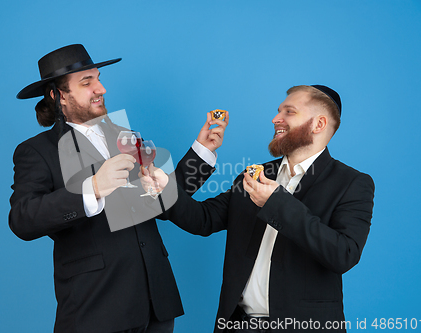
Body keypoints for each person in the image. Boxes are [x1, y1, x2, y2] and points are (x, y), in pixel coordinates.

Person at [9, 44, 228, 333]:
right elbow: (23, 219)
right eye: (87, 83)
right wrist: (93, 188)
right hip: (97, 308)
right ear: (58, 95)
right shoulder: (37, 151)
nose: (101, 88)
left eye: (98, 78)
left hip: (156, 304)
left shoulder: (127, 138)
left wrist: (203, 151)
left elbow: (161, 199)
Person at [144, 85, 375, 332]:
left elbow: (344, 254)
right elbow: (203, 219)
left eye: (289, 112)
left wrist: (276, 202)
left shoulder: (351, 183)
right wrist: (165, 187)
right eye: (279, 111)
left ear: (318, 124)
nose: (276, 119)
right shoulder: (256, 174)